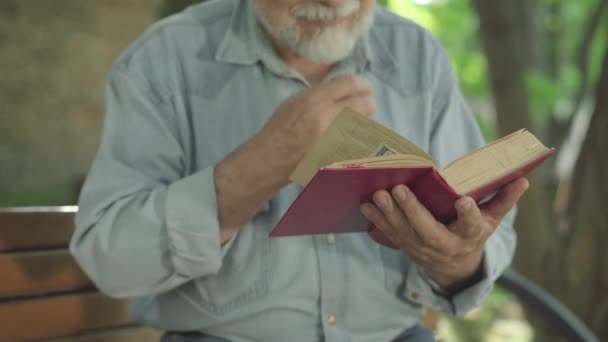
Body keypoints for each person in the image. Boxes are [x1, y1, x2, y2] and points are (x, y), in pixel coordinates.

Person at [70, 0, 528, 341]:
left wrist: (458, 259)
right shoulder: (163, 60)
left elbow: (486, 236)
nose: (335, 2)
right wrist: (261, 164)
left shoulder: (418, 57)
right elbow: (110, 261)